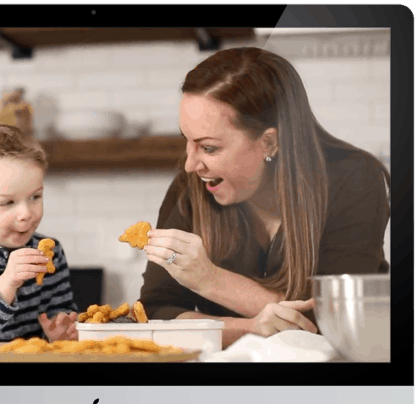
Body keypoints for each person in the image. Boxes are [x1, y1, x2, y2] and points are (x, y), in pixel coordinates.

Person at [139, 47, 390, 348]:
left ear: (269, 142)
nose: (191, 164)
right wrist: (250, 327)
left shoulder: (354, 179)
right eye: (187, 141)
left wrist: (210, 280)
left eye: (209, 148)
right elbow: (155, 311)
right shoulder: (190, 187)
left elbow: (335, 322)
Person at [0, 124, 79, 347]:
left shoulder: (52, 253)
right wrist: (7, 283)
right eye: (7, 202)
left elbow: (62, 315)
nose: (26, 213)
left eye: (35, 197)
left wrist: (61, 332)